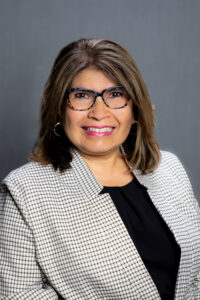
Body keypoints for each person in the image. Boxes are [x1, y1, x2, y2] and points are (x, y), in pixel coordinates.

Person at [0, 38, 199, 300]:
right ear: (60, 109)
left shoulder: (168, 167)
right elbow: (17, 295)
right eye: (81, 96)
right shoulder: (25, 190)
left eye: (115, 95)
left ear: (135, 108)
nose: (99, 112)